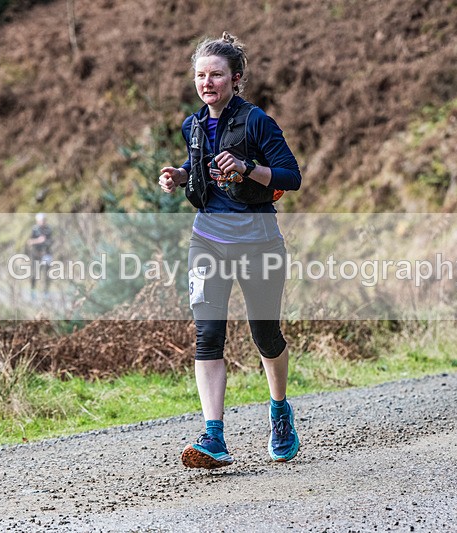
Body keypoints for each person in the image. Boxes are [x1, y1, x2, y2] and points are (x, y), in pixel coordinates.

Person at [159, 32, 302, 468]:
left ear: (235, 79)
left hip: (259, 243)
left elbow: (290, 177)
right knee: (208, 336)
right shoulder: (193, 125)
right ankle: (214, 436)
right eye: (201, 75)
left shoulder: (258, 121)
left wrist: (246, 168)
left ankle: (279, 412)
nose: (207, 82)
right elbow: (198, 163)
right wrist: (180, 176)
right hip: (207, 241)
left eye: (216, 75)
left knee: (265, 335)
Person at [26, 213, 52, 300]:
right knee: (35, 274)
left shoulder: (48, 229)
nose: (43, 222)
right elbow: (29, 241)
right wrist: (38, 240)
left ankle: (46, 292)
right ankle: (33, 292)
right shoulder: (34, 229)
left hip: (46, 254)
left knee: (47, 274)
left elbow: (51, 240)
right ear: (37, 221)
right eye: (41, 220)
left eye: (44, 220)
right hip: (36, 255)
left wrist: (48, 243)